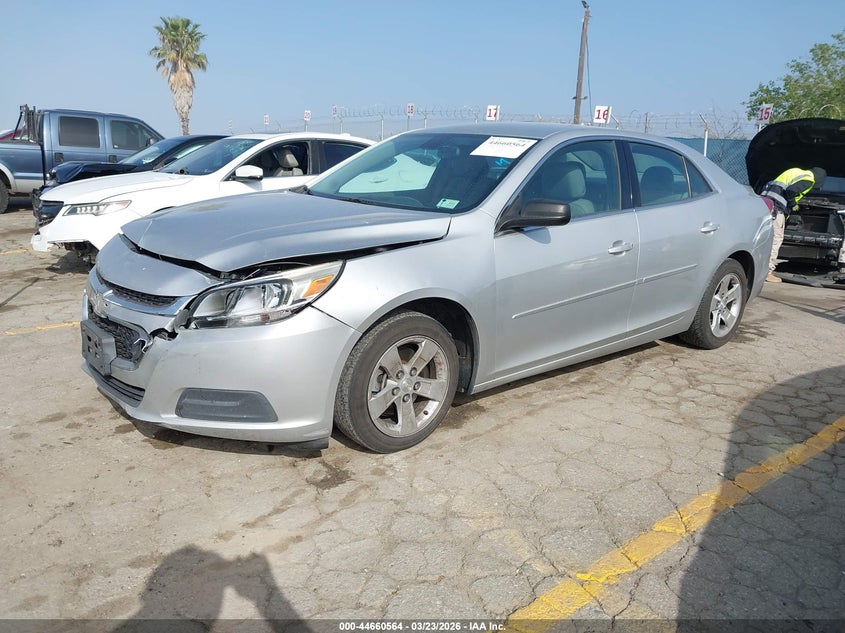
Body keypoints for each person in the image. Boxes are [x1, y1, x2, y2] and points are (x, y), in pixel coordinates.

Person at [760, 166, 826, 282]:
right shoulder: (809, 179)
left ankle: (758, 268)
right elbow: (791, 190)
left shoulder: (795, 171)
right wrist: (792, 204)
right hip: (777, 208)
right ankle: (767, 272)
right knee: (776, 238)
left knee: (764, 238)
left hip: (766, 203)